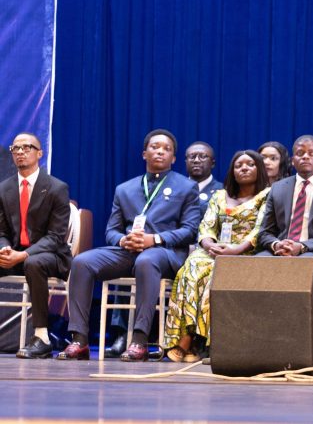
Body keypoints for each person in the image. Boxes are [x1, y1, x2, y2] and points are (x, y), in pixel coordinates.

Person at [58, 129, 201, 361]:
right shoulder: (124, 189)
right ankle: (79, 340)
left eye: (166, 149)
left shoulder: (186, 187)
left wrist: (154, 239)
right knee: (82, 262)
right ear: (144, 154)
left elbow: (190, 230)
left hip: (165, 253)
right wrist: (123, 240)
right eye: (155, 147)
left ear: (174, 158)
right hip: (129, 250)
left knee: (147, 260)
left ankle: (139, 341)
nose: (160, 152)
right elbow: (111, 231)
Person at [163, 150, 271, 362]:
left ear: (259, 169)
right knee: (192, 268)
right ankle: (187, 337)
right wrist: (209, 244)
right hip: (213, 249)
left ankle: (197, 341)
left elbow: (261, 229)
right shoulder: (220, 195)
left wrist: (235, 250)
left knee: (215, 275)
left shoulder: (267, 195)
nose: (244, 168)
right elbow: (207, 225)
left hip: (245, 253)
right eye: (238, 165)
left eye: (250, 164)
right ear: (232, 171)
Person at [0, 133, 72, 359]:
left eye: (27, 147)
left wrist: (23, 255)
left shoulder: (56, 188)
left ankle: (42, 337)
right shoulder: (4, 188)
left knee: (33, 263)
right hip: (16, 253)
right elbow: (2, 232)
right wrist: (4, 249)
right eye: (15, 148)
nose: (20, 152)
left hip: (51, 256)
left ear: (40, 153)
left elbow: (56, 237)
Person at [256, 135, 313, 262]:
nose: (305, 156)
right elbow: (264, 233)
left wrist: (302, 246)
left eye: (312, 153)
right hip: (281, 249)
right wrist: (277, 244)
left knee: (303, 262)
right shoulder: (278, 188)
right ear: (292, 160)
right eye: (300, 153)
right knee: (258, 261)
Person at [185, 142, 222, 211]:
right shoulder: (177, 188)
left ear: (213, 163)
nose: (196, 160)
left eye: (203, 156)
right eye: (192, 157)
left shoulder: (222, 191)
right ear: (186, 162)